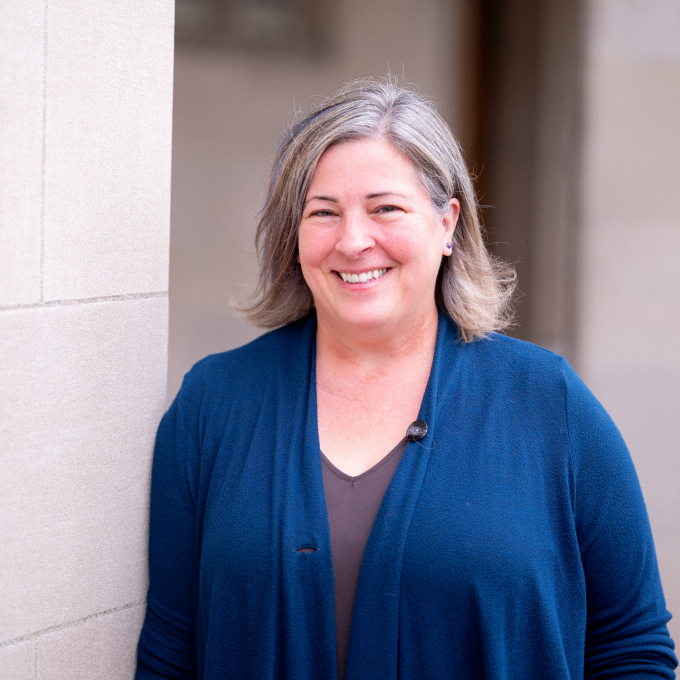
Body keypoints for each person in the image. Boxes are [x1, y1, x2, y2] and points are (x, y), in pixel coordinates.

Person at [136, 78, 677, 679]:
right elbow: (170, 654)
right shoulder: (213, 407)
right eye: (324, 213)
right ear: (294, 236)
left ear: (447, 224)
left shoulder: (550, 405)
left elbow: (632, 650)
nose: (353, 240)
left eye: (385, 208)